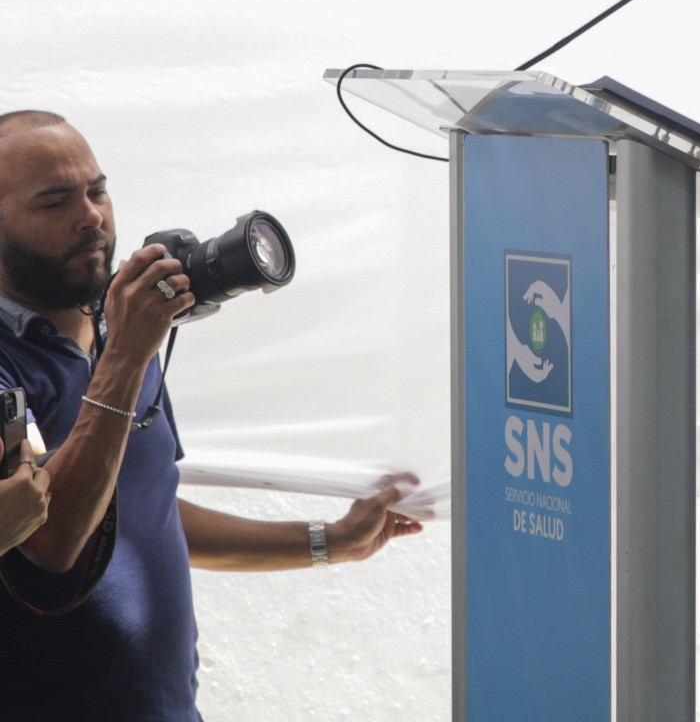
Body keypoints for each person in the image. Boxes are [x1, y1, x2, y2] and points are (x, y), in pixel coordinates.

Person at [0, 109, 423, 721]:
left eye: (98, 191)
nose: (90, 216)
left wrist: (329, 542)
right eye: (55, 201)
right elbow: (53, 544)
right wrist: (126, 357)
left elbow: (144, 509)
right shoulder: (105, 347)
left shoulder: (121, 327)